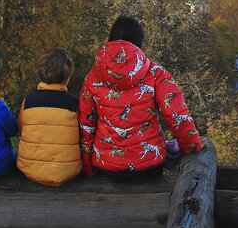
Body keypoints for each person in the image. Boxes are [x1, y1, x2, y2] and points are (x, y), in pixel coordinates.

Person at [78, 15, 202, 179]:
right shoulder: (156, 74)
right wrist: (192, 145)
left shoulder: (92, 78)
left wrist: (88, 168)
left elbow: (86, 126)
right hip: (148, 168)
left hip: (107, 168)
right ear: (141, 45)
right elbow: (176, 115)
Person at [16, 48, 82, 186]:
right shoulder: (74, 103)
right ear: (67, 77)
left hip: (30, 168)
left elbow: (21, 128)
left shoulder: (29, 100)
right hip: (67, 171)